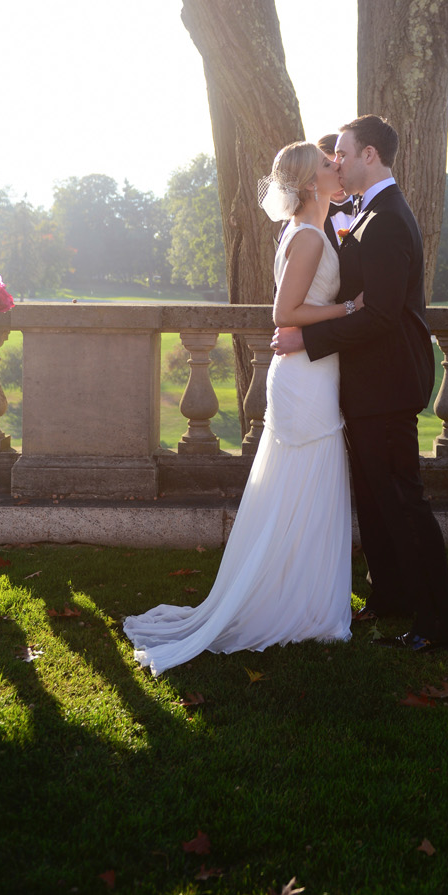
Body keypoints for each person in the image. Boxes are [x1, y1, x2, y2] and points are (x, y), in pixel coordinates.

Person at [124, 141, 361, 675]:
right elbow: (285, 313)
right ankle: (294, 606)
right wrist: (350, 307)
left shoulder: (313, 231)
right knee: (301, 479)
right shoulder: (305, 238)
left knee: (305, 483)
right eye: (327, 164)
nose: (337, 167)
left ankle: (304, 600)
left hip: (313, 373)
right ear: (307, 184)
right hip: (305, 377)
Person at [274, 115, 448, 653]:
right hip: (365, 384)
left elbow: (381, 315)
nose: (336, 161)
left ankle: (439, 622)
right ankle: (392, 597)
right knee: (376, 500)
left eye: (343, 153)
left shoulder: (385, 220)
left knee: (402, 501)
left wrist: (307, 343)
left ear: (371, 157)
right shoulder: (363, 215)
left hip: (387, 383)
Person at [318, 132, 355, 250]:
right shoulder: (308, 218)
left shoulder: (371, 206)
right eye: (329, 170)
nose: (337, 179)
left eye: (341, 169)